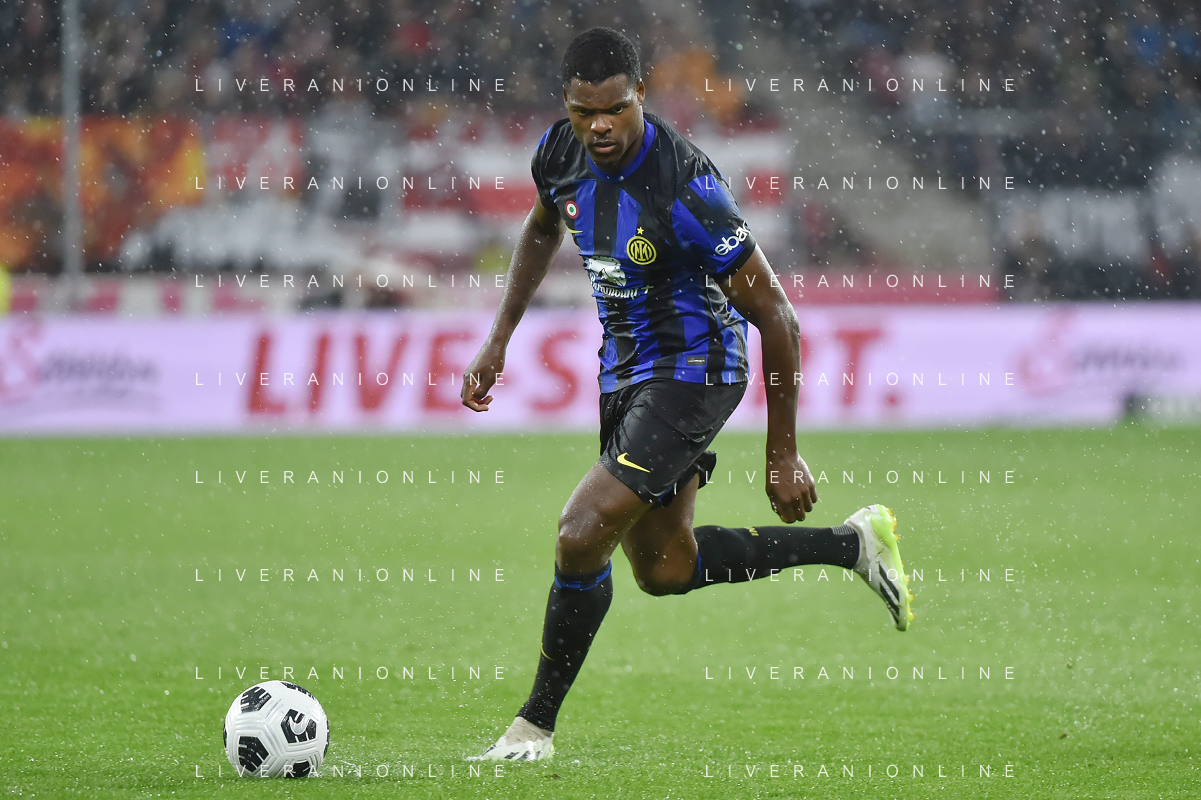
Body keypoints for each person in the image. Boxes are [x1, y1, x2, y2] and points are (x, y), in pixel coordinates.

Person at [460, 27, 913, 762]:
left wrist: (783, 455)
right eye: (583, 111)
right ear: (567, 106)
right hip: (624, 373)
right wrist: (498, 338)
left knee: (580, 533)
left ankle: (532, 728)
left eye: (614, 108)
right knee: (664, 569)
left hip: (695, 368)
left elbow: (777, 316)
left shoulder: (686, 186)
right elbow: (542, 229)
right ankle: (852, 545)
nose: (599, 126)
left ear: (641, 93)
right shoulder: (559, 153)